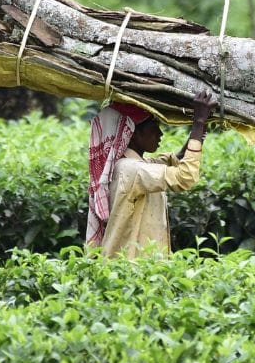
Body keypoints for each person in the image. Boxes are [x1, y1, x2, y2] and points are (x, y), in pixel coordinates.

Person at [86, 89, 218, 258]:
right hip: (134, 273)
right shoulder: (131, 170)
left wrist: (202, 124)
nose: (160, 133)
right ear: (131, 133)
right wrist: (198, 122)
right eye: (154, 127)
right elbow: (186, 177)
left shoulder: (130, 166)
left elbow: (178, 158)